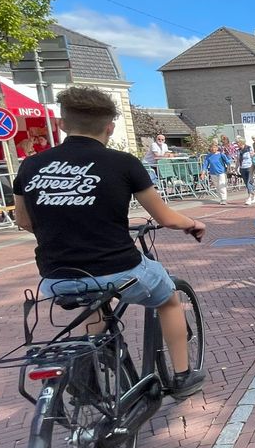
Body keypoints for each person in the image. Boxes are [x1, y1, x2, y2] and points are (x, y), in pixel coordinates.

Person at [12, 86, 207, 399]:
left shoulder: (31, 166)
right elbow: (167, 217)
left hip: (56, 276)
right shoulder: (123, 163)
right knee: (169, 298)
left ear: (62, 124)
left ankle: (88, 368)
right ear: (110, 127)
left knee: (94, 304)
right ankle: (182, 377)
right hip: (117, 268)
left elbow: (23, 220)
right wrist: (193, 224)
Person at [239, 138, 255, 205]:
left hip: (249, 166)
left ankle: (249, 197)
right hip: (242, 167)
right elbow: (237, 160)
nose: (237, 144)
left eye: (238, 143)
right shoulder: (239, 151)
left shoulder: (249, 148)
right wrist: (236, 168)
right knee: (246, 184)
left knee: (249, 183)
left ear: (242, 143)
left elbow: (253, 157)